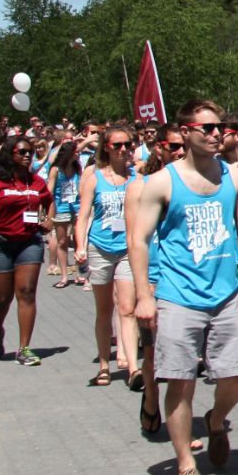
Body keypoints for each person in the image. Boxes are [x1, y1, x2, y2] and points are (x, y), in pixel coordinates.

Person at [128, 99, 238, 475]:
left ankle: (217, 420)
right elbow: (139, 239)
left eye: (219, 126)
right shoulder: (163, 182)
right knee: (180, 382)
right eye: (206, 128)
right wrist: (143, 295)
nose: (216, 133)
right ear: (184, 132)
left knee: (235, 377)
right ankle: (186, 463)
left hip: (226, 293)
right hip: (177, 296)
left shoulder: (233, 178)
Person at [0, 136, 52, 366]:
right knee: (2, 297)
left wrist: (49, 220)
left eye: (31, 152)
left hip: (29, 242)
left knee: (26, 292)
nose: (28, 156)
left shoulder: (36, 181)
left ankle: (24, 348)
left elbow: (48, 201)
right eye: (22, 152)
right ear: (10, 154)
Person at [76, 123, 142, 390]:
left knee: (128, 308)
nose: (123, 150)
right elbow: (82, 217)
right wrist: (80, 245)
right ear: (106, 147)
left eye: (128, 144)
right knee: (105, 310)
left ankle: (134, 368)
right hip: (100, 247)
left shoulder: (136, 177)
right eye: (117, 145)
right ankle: (104, 365)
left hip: (127, 249)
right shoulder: (95, 177)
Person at [48, 140, 85, 288]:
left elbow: (81, 186)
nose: (78, 153)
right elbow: (49, 190)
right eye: (76, 151)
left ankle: (79, 274)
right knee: (62, 241)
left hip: (76, 207)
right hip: (61, 208)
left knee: (78, 241)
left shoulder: (77, 168)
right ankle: (64, 275)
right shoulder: (56, 169)